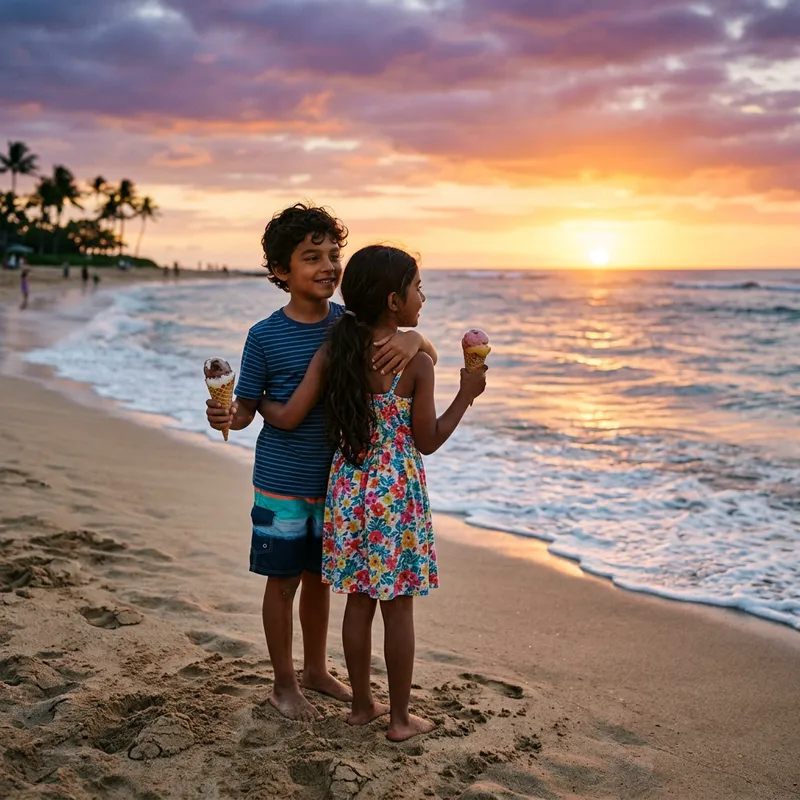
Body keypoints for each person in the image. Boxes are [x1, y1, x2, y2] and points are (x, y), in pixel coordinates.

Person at [205, 204, 437, 722]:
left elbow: (415, 352)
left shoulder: (347, 322)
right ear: (282, 272)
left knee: (321, 580)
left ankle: (315, 669)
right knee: (282, 581)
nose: (329, 266)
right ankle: (284, 684)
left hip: (337, 484)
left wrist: (416, 337)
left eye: (334, 255)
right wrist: (228, 412)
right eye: (312, 257)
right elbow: (245, 408)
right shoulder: (265, 336)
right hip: (283, 480)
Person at [260, 245, 487, 741]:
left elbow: (290, 413)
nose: (422, 298)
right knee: (398, 605)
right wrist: (465, 395)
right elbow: (427, 441)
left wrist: (255, 406)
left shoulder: (336, 350)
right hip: (395, 495)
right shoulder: (416, 367)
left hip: (346, 489)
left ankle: (363, 706)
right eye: (417, 288)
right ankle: (401, 719)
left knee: (358, 600)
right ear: (392, 299)